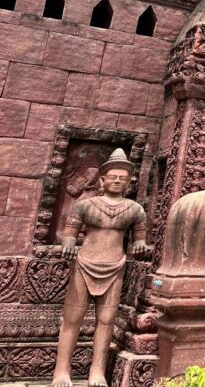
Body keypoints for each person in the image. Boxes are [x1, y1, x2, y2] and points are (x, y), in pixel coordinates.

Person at [52, 149, 147, 387]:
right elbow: (70, 235)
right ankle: (61, 371)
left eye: (122, 178)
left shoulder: (134, 210)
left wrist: (140, 246)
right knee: (72, 318)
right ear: (102, 180)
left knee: (106, 319)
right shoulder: (86, 206)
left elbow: (139, 240)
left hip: (115, 266)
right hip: (85, 263)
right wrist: (69, 245)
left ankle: (97, 371)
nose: (117, 180)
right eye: (113, 176)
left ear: (128, 183)